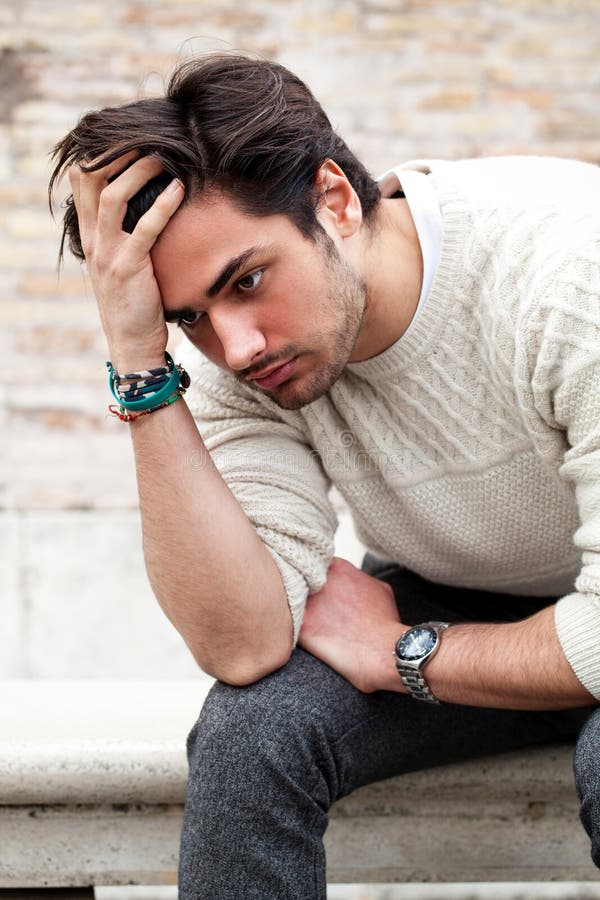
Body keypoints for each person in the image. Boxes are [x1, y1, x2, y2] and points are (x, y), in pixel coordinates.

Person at [49, 53, 600, 898]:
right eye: (190, 316)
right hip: (465, 589)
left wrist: (404, 651)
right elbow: (244, 643)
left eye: (249, 281)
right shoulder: (243, 367)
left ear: (335, 199)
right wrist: (139, 359)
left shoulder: (565, 277)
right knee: (252, 732)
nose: (235, 346)